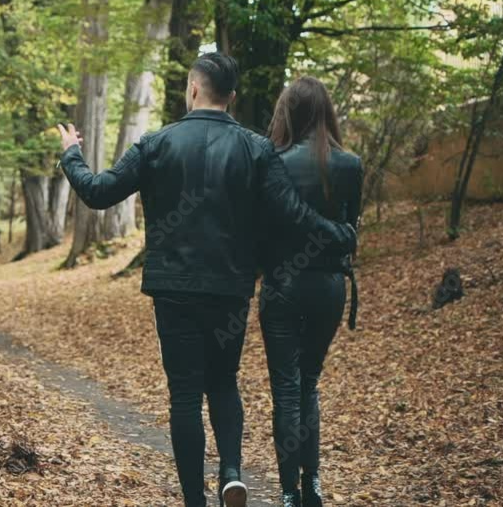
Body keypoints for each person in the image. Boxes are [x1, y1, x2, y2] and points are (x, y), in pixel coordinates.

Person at [57, 52, 357, 507]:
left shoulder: (156, 143)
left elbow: (98, 192)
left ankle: (195, 499)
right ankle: (231, 473)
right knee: (223, 381)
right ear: (232, 97)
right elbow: (291, 212)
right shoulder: (257, 148)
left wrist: (71, 155)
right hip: (230, 288)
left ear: (193, 89)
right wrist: (337, 235)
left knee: (184, 394)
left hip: (173, 289)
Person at [257, 77, 363, 507]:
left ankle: (287, 492)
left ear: (287, 111)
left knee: (286, 389)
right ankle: (313, 484)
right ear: (326, 111)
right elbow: (351, 229)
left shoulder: (272, 162)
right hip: (329, 287)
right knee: (309, 384)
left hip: (282, 286)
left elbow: (261, 230)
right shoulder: (350, 164)